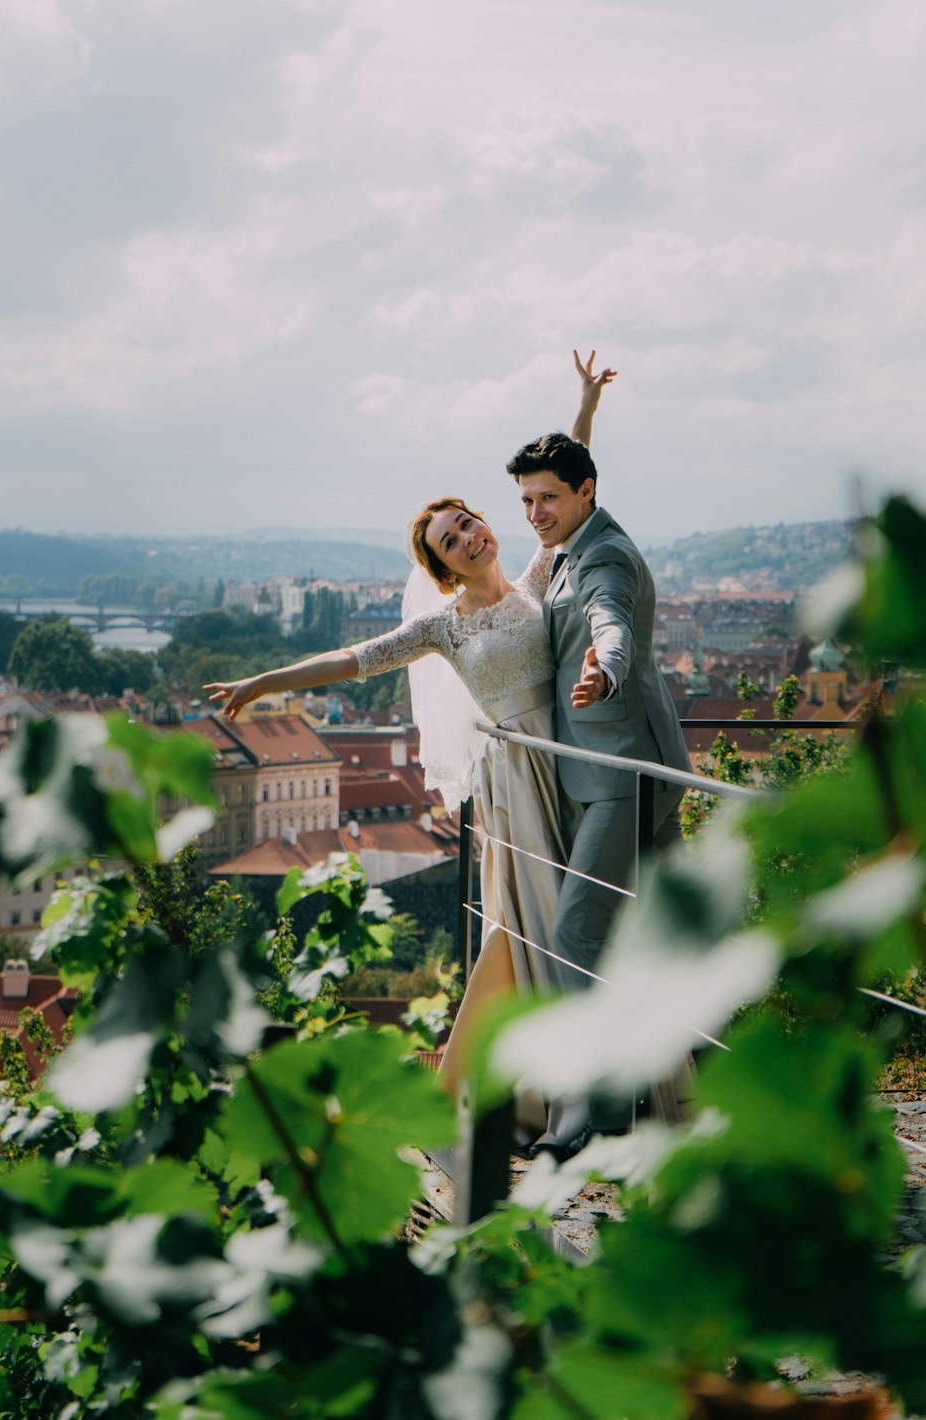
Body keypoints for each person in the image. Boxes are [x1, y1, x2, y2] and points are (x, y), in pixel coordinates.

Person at [204, 352, 616, 1155]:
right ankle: (558, 1094)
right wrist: (262, 682)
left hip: (566, 768)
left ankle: (582, 1079)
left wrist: (586, 404)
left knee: (583, 917)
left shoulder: (533, 579)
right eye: (447, 540)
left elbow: (566, 486)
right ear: (438, 566)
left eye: (464, 522)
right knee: (541, 928)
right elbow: (350, 660)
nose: (464, 537)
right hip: (516, 782)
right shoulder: (442, 626)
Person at [505, 427, 693, 1154]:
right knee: (664, 937)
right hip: (603, 769)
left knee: (578, 929)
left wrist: (604, 669)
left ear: (587, 491)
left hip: (624, 775)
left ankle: (595, 1106)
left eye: (548, 497)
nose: (535, 512)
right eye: (525, 500)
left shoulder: (603, 555)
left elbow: (610, 624)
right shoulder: (568, 550)